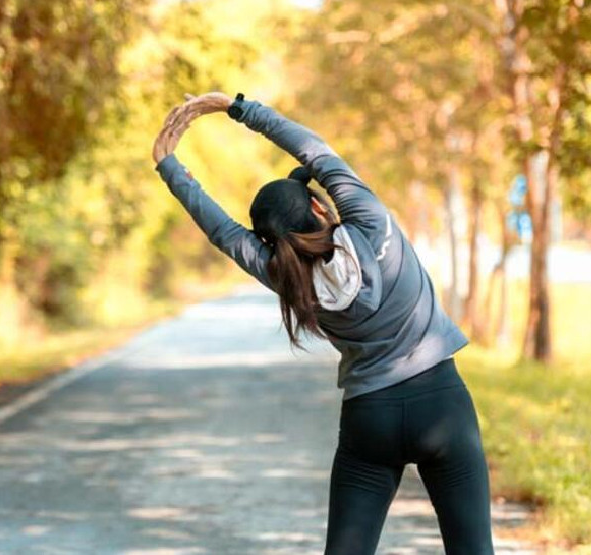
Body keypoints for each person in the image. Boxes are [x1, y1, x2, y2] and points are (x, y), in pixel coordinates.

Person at [152, 92, 495, 555]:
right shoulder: (369, 222)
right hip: (442, 407)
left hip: (369, 421)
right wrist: (236, 107)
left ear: (273, 242)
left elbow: (223, 232)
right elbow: (312, 149)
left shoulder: (285, 277)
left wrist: (169, 165)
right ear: (317, 207)